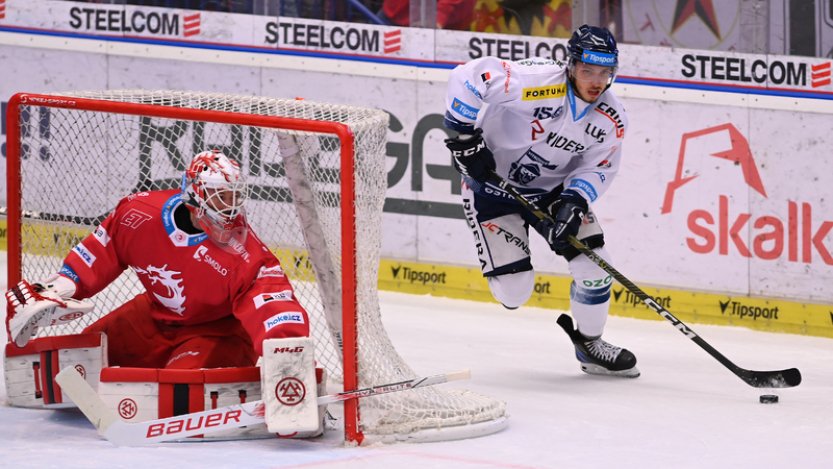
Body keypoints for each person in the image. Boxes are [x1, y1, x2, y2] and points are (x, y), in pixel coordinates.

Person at [5, 149, 323, 434]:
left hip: (217, 331)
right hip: (153, 316)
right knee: (83, 359)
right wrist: (56, 288)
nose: (229, 208)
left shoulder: (244, 253)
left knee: (176, 392)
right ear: (194, 195)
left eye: (234, 197)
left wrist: (288, 360)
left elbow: (273, 303)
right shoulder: (138, 213)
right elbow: (100, 253)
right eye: (220, 197)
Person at [442, 25, 638, 378]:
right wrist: (464, 139)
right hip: (491, 191)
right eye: (588, 70)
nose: (596, 81)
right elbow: (468, 77)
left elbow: (600, 165)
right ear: (571, 65)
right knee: (514, 293)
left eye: (605, 72)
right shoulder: (537, 82)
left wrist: (574, 202)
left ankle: (590, 344)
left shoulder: (612, 117)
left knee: (595, 267)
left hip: (552, 193)